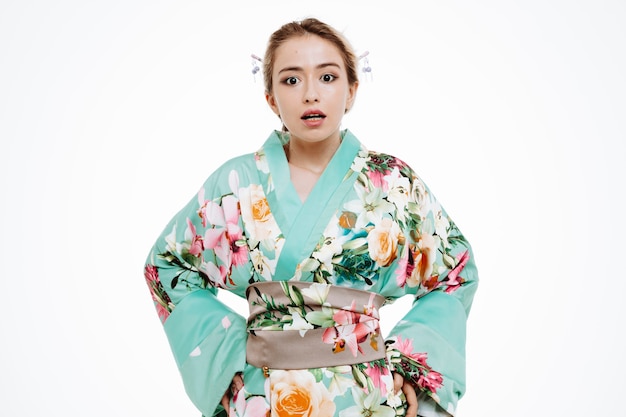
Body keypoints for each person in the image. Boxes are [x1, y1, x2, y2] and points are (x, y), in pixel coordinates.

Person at [143, 17, 478, 417]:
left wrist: (411, 366)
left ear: (352, 90)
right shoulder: (235, 182)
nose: (310, 94)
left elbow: (455, 269)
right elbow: (166, 265)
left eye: (328, 77)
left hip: (367, 397)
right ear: (270, 98)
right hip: (262, 395)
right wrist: (224, 356)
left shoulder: (392, 182)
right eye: (291, 80)